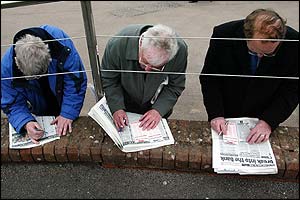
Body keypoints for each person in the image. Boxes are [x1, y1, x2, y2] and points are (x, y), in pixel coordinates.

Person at [199, 9, 298, 144]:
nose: (260, 57)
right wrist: (216, 114)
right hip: (227, 108)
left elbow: (293, 88)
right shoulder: (223, 34)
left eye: (268, 54)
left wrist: (269, 121)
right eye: (254, 52)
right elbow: (210, 78)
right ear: (246, 35)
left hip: (265, 111)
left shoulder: (295, 43)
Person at [1, 24, 87, 144]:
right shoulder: (6, 68)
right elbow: (11, 103)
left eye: (42, 73)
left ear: (48, 55)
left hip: (62, 95)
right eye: (33, 77)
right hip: (39, 106)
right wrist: (25, 122)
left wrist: (68, 113)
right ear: (17, 62)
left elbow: (76, 81)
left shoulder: (60, 42)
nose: (39, 78)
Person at [101, 24, 188, 131]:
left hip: (156, 104)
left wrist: (158, 110)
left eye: (156, 67)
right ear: (141, 43)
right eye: (144, 62)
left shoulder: (180, 51)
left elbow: (175, 85)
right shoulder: (117, 45)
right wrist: (117, 107)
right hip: (125, 102)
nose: (147, 69)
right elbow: (109, 79)